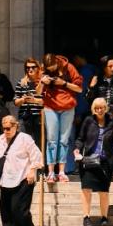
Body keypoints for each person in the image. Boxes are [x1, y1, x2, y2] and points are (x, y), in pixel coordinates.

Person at [0, 111, 43, 226]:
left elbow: (36, 155)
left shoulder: (25, 138)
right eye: (3, 128)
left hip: (23, 178)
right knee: (6, 211)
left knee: (19, 210)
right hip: (5, 180)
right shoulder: (0, 139)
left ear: (16, 126)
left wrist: (33, 170)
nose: (6, 131)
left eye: (8, 128)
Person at [74, 96, 113, 226]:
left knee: (104, 191)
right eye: (96, 108)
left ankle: (104, 217)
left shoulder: (112, 122)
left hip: (105, 162)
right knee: (86, 189)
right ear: (93, 109)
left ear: (106, 108)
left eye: (102, 108)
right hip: (89, 161)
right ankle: (86, 217)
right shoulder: (88, 121)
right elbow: (80, 138)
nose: (99, 110)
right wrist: (76, 149)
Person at [41, 53, 81, 185]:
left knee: (64, 140)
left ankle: (62, 172)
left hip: (67, 106)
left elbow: (79, 88)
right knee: (52, 140)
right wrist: (42, 82)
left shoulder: (68, 67)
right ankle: (51, 171)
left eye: (53, 68)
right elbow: (37, 92)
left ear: (57, 63)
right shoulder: (44, 70)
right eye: (49, 69)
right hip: (50, 107)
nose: (51, 71)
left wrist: (63, 83)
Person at [15, 57, 46, 139]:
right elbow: (16, 102)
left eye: (33, 67)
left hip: (39, 117)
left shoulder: (43, 82)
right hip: (24, 117)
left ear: (38, 68)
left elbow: (47, 101)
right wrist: (23, 100)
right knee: (24, 143)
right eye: (28, 68)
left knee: (39, 144)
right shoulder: (21, 83)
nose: (30, 69)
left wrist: (35, 100)